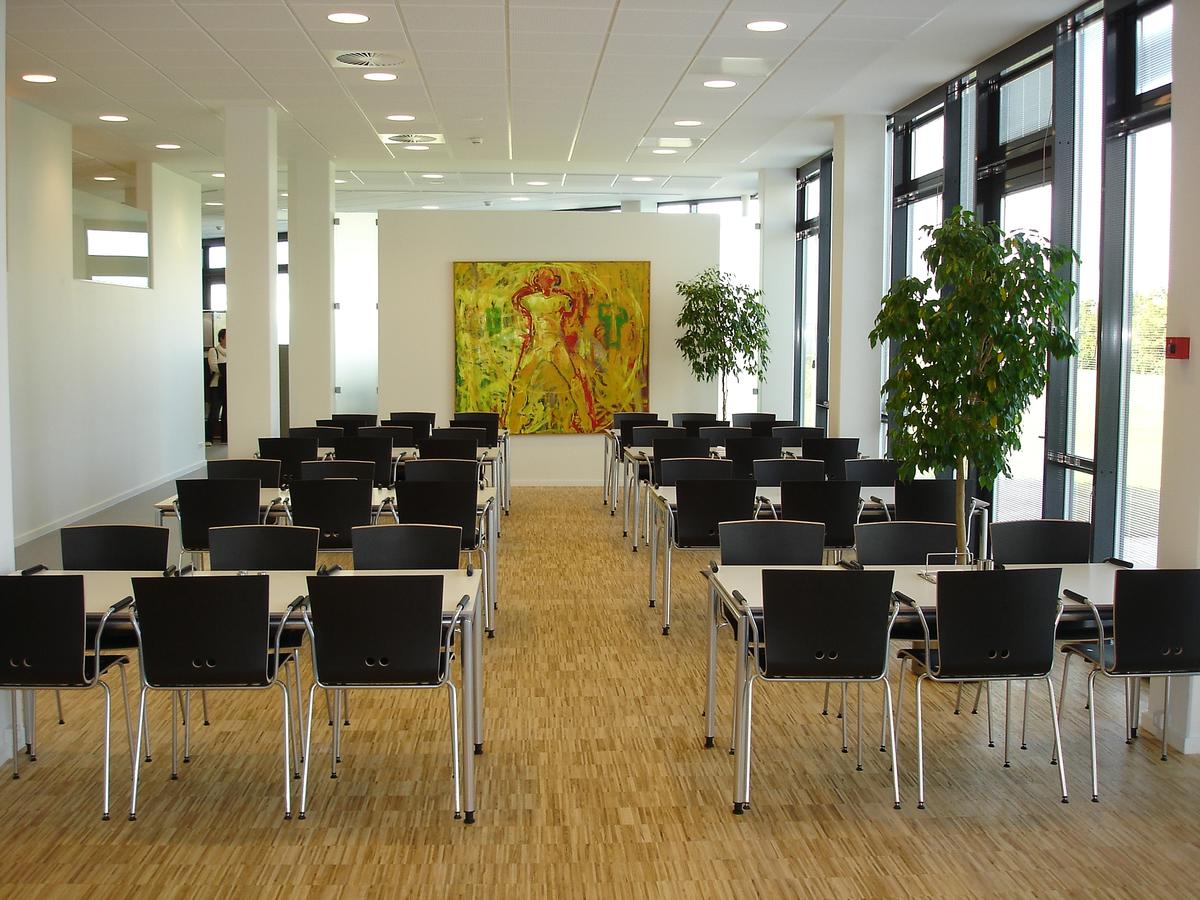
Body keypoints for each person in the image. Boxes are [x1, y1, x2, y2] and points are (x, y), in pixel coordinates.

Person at [206, 328, 227, 443]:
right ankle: (209, 438)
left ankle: (225, 438)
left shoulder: (232, 351)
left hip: (227, 384)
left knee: (227, 412)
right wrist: (225, 368)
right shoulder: (214, 351)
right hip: (217, 384)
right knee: (215, 411)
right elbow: (214, 366)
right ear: (221, 338)